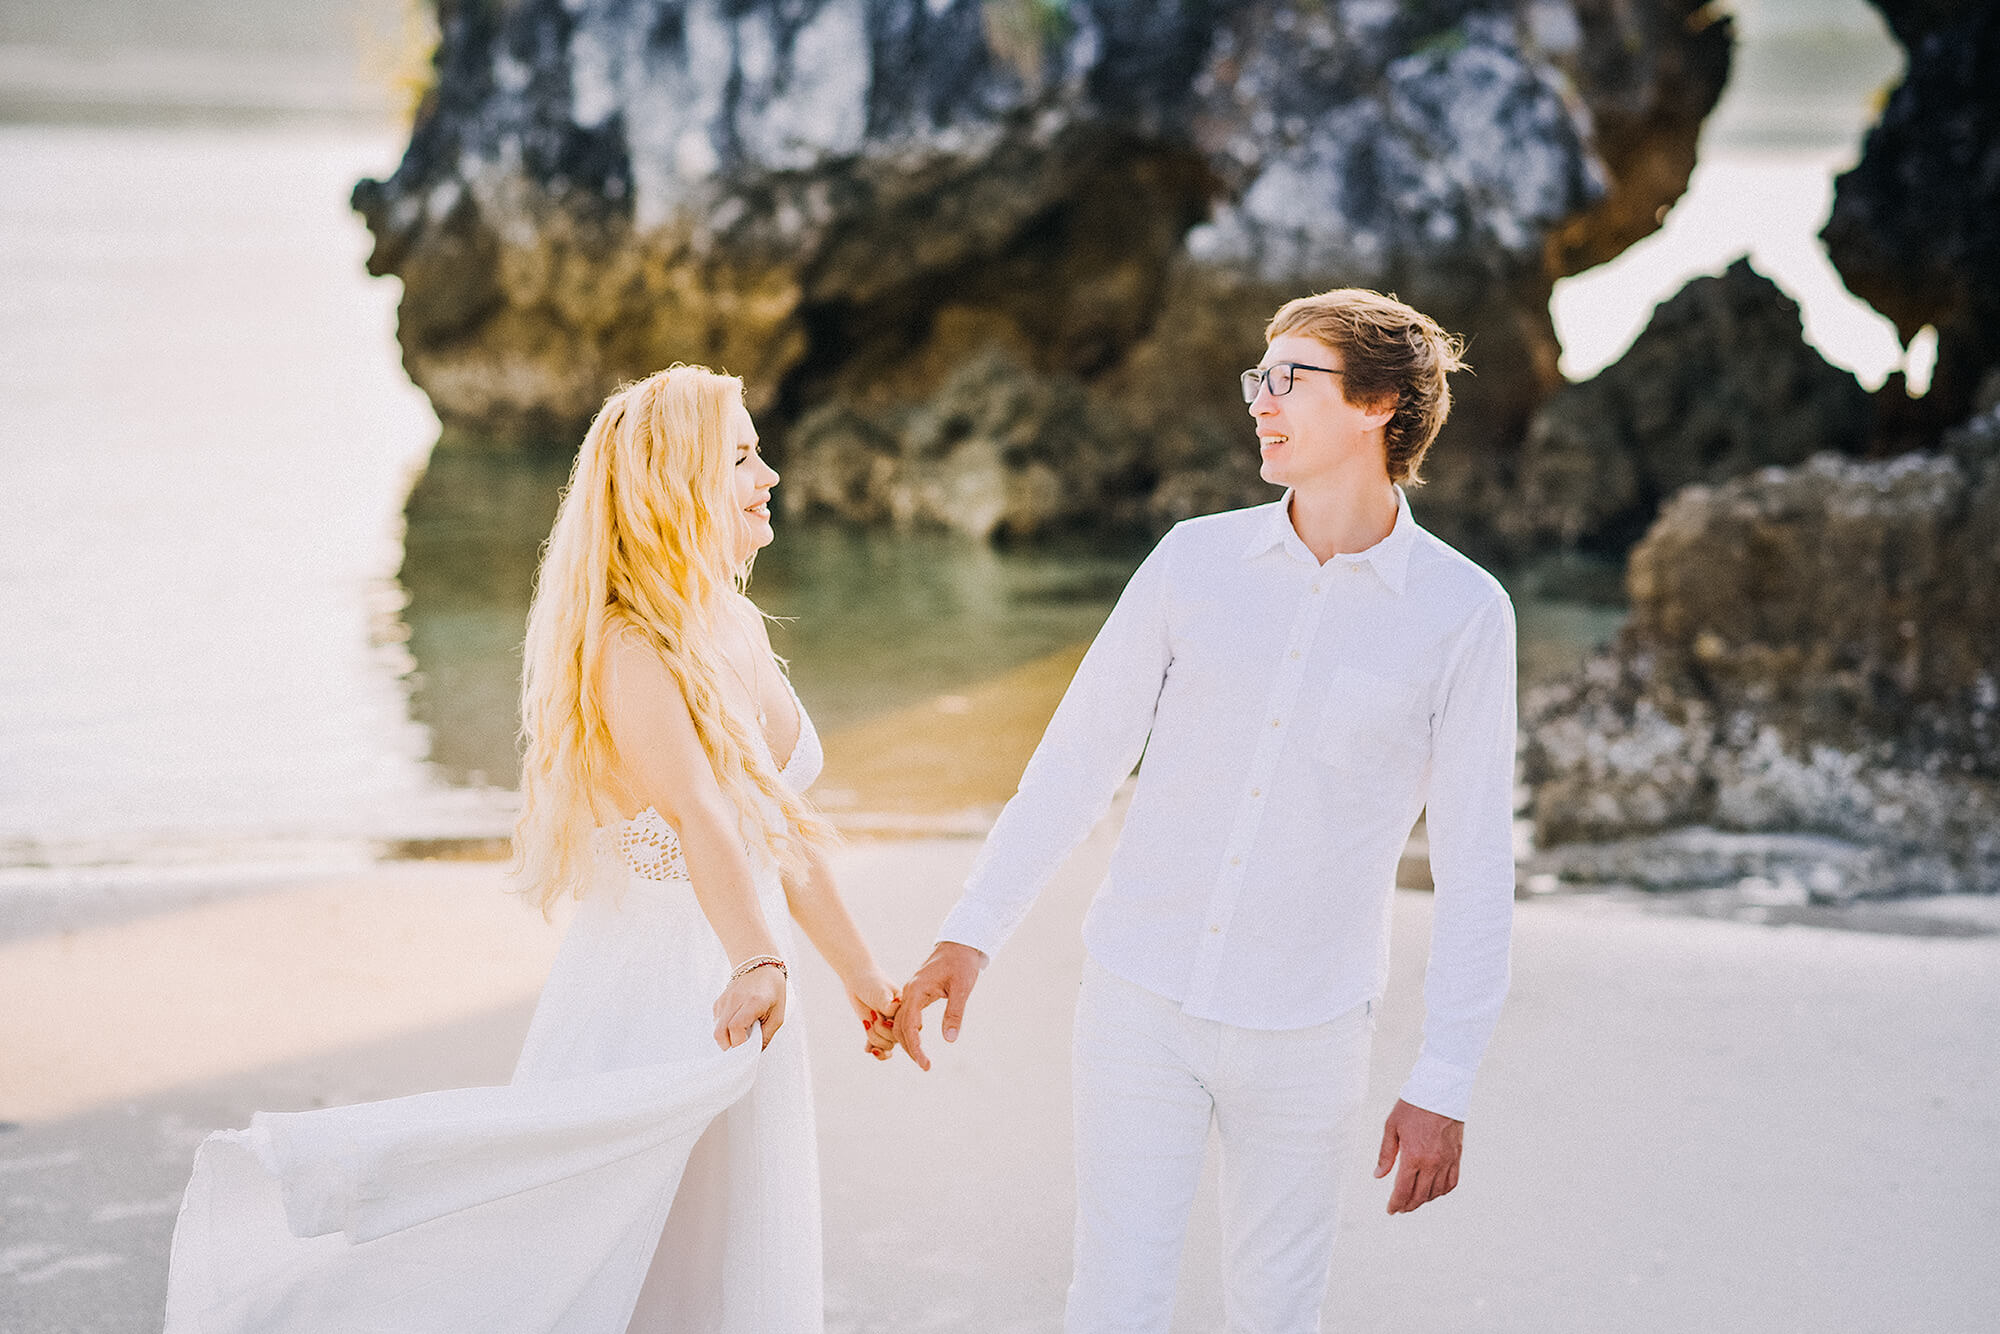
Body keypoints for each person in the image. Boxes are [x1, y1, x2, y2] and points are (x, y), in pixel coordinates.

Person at [164, 364, 900, 1333]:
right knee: (604, 1271)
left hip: (748, 999)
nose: (767, 474)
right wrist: (757, 957)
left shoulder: (735, 625)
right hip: (660, 1009)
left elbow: (782, 833)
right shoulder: (627, 644)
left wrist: (860, 980)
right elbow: (695, 812)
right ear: (675, 480)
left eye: (757, 451)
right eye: (739, 456)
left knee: (729, 1266)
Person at [895, 290, 1517, 1333]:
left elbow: (1474, 858)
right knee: (1113, 1302)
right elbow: (1075, 760)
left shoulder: (1460, 613)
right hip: (1139, 996)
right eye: (1256, 379)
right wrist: (973, 927)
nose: (1260, 401)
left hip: (1310, 1026)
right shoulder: (1191, 559)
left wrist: (1443, 1075)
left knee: (1276, 1310)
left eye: (1291, 378)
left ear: (1376, 406)